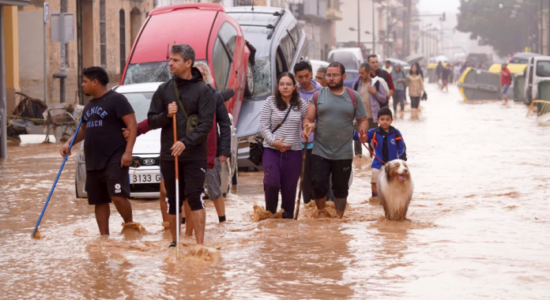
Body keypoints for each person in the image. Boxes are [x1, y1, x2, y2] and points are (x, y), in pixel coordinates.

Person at [147, 44, 215, 247]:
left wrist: (185, 142)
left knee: (195, 196)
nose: (170, 63)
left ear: (188, 63)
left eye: (175, 60)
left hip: (194, 154)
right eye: (170, 59)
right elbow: (151, 120)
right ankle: (174, 243)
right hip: (170, 154)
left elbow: (205, 126)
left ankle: (200, 245)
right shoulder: (163, 90)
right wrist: (166, 115)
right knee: (173, 198)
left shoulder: (203, 91)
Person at [60, 67, 138, 235]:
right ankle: (104, 238)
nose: (82, 85)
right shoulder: (89, 105)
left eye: (85, 81)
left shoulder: (117, 100)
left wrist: (128, 152)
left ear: (95, 82)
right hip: (94, 160)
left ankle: (131, 227)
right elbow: (83, 129)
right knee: (99, 201)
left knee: (117, 196)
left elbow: (132, 125)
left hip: (115, 158)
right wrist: (69, 143)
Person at [302, 62, 369, 218]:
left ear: (343, 77)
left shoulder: (353, 96)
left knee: (341, 189)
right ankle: (321, 214)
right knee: (318, 185)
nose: (331, 78)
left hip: (343, 152)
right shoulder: (318, 96)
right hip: (320, 150)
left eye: (335, 75)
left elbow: (363, 120)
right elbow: (308, 118)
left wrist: (362, 132)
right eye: (329, 75)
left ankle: (339, 219)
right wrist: (308, 127)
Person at [260, 72, 308, 219]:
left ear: (294, 87)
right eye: (282, 84)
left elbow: (308, 121)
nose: (285, 87)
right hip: (271, 150)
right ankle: (270, 216)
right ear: (278, 86)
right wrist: (274, 142)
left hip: (294, 153)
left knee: (289, 189)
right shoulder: (270, 101)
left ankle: (287, 223)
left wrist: (306, 129)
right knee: (271, 183)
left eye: (288, 84)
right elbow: (263, 126)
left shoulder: (302, 104)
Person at [194, 61, 231, 224]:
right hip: (190, 150)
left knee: (214, 187)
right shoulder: (186, 94)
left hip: (211, 150)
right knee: (189, 189)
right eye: (196, 74)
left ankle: (222, 221)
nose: (198, 77)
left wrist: (224, 150)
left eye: (202, 74)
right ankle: (185, 223)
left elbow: (224, 123)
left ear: (206, 76)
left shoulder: (215, 95)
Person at [357, 107, 406, 201]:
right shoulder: (374, 132)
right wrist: (361, 136)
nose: (385, 122)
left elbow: (401, 147)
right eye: (382, 119)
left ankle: (395, 198)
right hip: (378, 163)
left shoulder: (396, 133)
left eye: (387, 119)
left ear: (392, 120)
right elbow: (364, 137)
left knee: (395, 181)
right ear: (377, 120)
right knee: (374, 179)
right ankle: (375, 198)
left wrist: (402, 158)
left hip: (393, 164)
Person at [293, 61, 322, 204]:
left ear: (311, 74)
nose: (304, 80)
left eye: (306, 76)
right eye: (300, 77)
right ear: (295, 77)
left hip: (318, 144)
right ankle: (308, 209)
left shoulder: (321, 92)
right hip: (299, 144)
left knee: (319, 179)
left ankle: (321, 209)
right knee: (304, 180)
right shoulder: (293, 94)